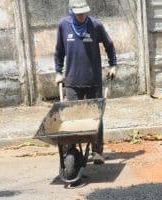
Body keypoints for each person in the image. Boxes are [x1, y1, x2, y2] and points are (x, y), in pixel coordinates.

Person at [54, 0, 117, 164]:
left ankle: (97, 151)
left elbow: (109, 45)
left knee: (96, 116)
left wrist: (113, 65)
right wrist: (58, 72)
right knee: (72, 118)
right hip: (72, 81)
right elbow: (59, 51)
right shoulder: (63, 25)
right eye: (78, 13)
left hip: (93, 80)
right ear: (71, 11)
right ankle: (71, 150)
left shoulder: (95, 25)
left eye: (84, 12)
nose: (82, 16)